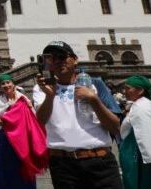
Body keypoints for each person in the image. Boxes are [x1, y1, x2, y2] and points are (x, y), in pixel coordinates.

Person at [33, 41, 123, 189]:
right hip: (63, 165)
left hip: (100, 162)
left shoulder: (94, 83)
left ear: (74, 59)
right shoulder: (42, 89)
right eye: (51, 58)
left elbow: (115, 127)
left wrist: (93, 99)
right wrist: (50, 96)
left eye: (61, 56)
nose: (57, 61)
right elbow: (40, 122)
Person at [0, 74, 37, 189]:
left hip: (22, 138)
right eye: (3, 84)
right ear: (0, 88)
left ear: (13, 84)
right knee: (5, 167)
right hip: (5, 139)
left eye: (8, 82)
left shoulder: (23, 98)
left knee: (23, 165)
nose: (6, 85)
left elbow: (32, 118)